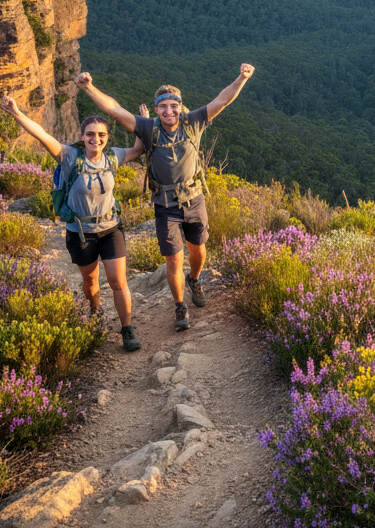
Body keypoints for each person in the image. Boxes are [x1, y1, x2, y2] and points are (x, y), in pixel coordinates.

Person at [75, 65, 255, 331]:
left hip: (194, 199)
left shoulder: (193, 122)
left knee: (199, 250)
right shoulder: (148, 128)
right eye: (163, 107)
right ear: (157, 110)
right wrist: (88, 87)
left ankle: (194, 279)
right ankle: (180, 306)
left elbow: (222, 99)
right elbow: (114, 109)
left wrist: (242, 78)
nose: (169, 111)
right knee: (173, 259)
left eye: (173, 106)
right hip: (165, 205)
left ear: (180, 107)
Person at [0, 96, 145, 353]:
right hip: (80, 233)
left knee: (118, 282)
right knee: (90, 282)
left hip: (111, 228)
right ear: (82, 136)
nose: (95, 139)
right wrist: (16, 112)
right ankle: (95, 310)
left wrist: (142, 122)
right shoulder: (68, 156)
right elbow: (41, 134)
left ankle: (127, 329)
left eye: (101, 135)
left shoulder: (113, 157)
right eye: (90, 134)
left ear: (107, 138)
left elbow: (138, 150)